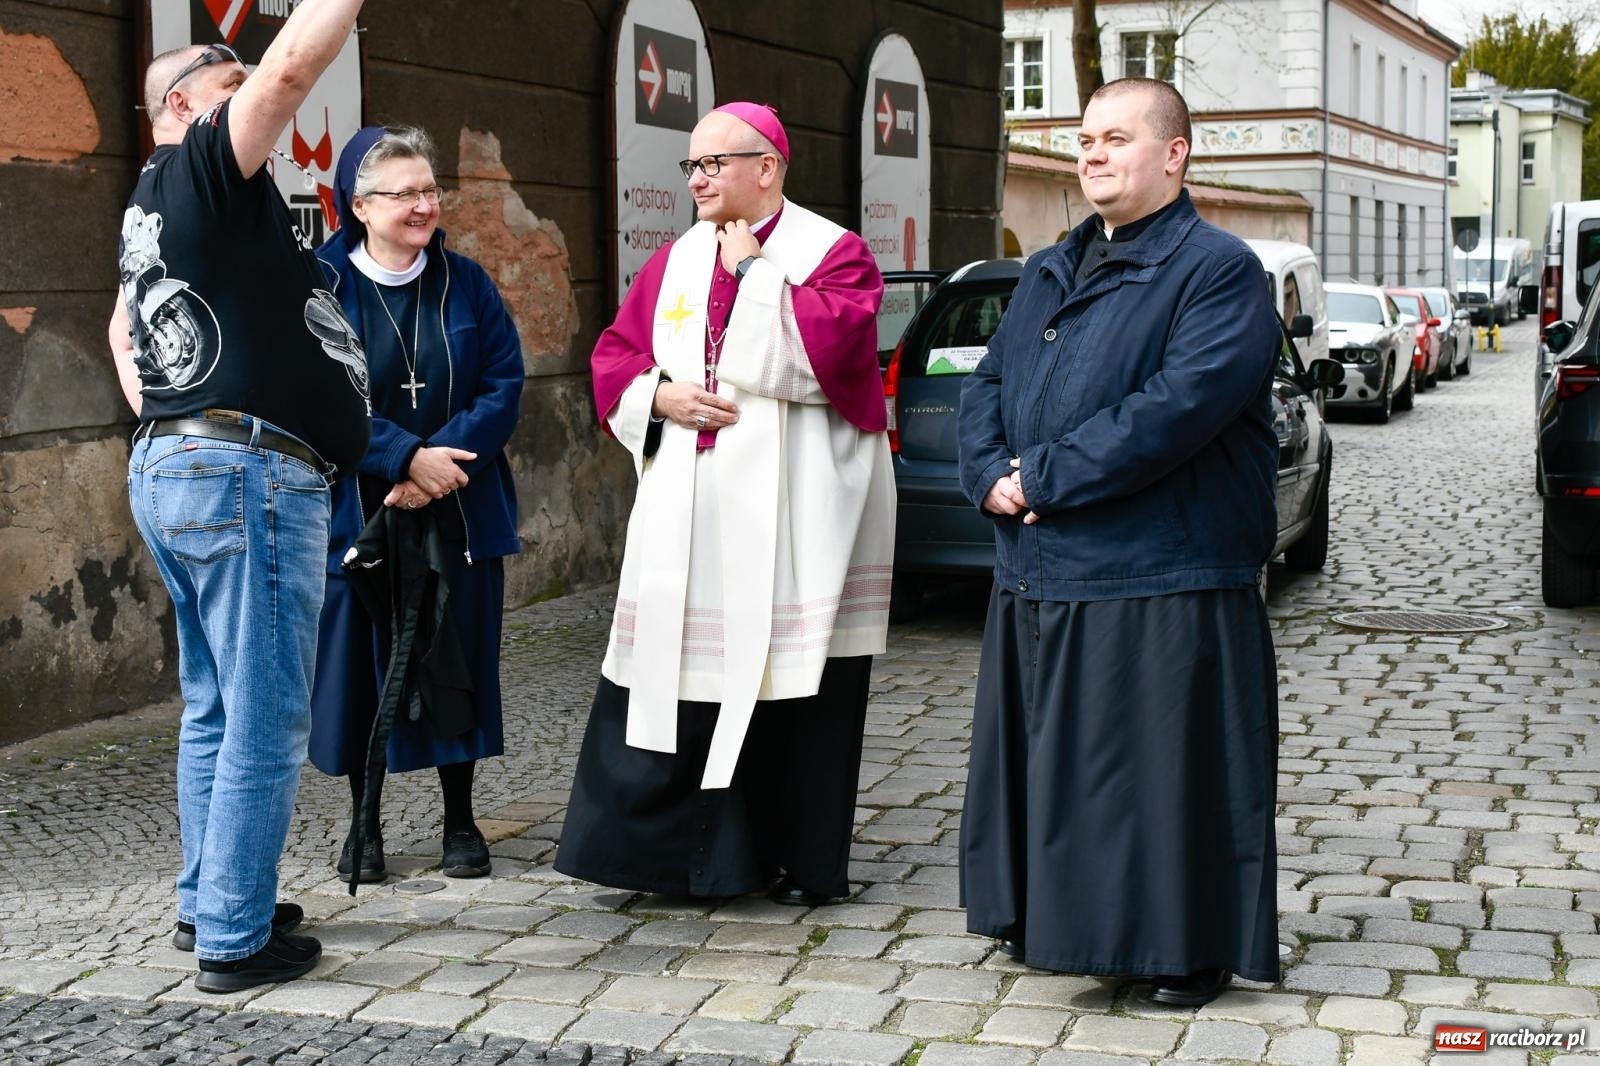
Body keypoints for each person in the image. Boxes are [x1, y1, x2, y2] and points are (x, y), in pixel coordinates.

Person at [955, 78, 1281, 1007]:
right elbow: (987, 382)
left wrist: (1041, 477)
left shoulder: (1220, 272)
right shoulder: (1051, 266)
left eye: (1116, 138)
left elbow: (1175, 409)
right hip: (1042, 566)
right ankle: (1051, 921)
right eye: (1085, 139)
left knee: (1155, 780)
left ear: (1174, 155)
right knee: (1061, 771)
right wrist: (986, 472)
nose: (1093, 154)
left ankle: (1180, 949)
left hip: (1164, 567)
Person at [554, 103, 895, 906]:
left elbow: (835, 355)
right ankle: (671, 861)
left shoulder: (832, 251)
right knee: (675, 675)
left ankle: (795, 859)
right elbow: (615, 356)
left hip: (795, 515)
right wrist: (659, 395)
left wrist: (754, 273)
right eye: (692, 166)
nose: (697, 180)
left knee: (796, 689)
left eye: (713, 164)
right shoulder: (675, 259)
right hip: (692, 511)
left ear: (766, 168)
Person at [108, 0, 370, 994]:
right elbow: (292, 67)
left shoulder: (151, 208)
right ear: (182, 105)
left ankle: (210, 897)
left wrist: (171, 419)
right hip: (245, 474)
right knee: (264, 714)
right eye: (231, 86)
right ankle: (234, 937)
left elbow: (122, 330)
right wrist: (210, 427)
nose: (250, 97)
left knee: (216, 708)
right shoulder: (203, 167)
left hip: (192, 465)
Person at [309, 125, 524, 882]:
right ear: (360, 206)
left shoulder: (467, 283)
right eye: (406, 194)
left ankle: (460, 820)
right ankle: (363, 824)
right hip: (357, 510)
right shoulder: (320, 288)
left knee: (455, 657)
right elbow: (313, 395)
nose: (426, 206)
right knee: (356, 673)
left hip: (460, 504)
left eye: (431, 191)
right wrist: (401, 456)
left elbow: (503, 384)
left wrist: (437, 465)